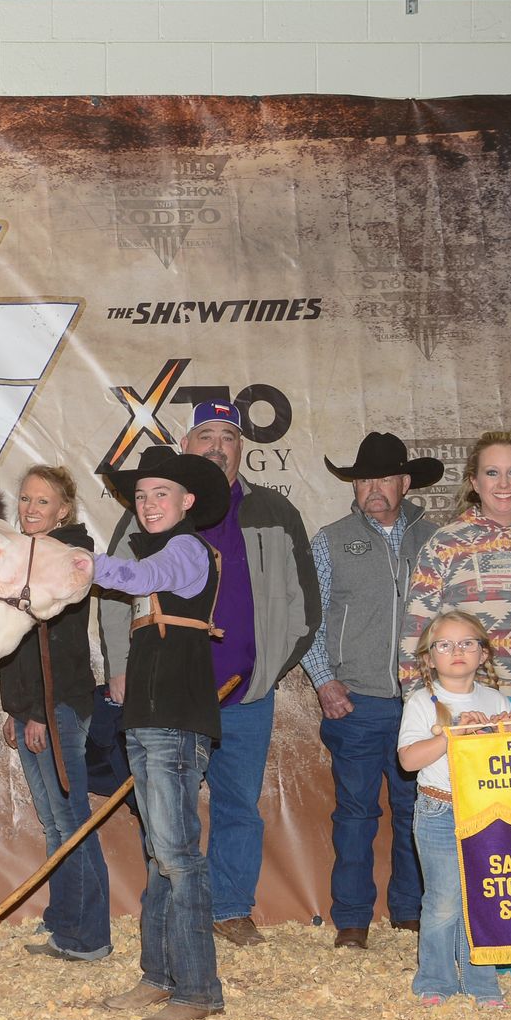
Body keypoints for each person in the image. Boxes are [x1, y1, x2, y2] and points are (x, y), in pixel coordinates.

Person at [99, 400, 318, 947]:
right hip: (170, 692)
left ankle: (230, 906)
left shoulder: (274, 511)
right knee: (164, 808)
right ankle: (169, 907)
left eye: (228, 435)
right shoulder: (158, 509)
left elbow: (302, 602)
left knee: (238, 802)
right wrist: (123, 669)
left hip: (245, 690)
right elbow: (113, 596)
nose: (217, 445)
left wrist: (267, 669)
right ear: (186, 446)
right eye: (205, 435)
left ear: (242, 447)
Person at [87, 447, 231, 1020]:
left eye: (160, 495)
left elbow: (138, 579)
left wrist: (73, 562)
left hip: (175, 716)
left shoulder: (186, 549)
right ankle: (159, 976)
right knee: (159, 856)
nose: (148, 505)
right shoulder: (157, 547)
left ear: (187, 501)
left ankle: (198, 988)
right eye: (141, 497)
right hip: (147, 717)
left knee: (178, 857)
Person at [305, 432, 442, 948]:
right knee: (356, 814)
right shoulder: (332, 539)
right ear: (353, 486)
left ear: (405, 483)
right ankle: (353, 920)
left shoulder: (435, 538)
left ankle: (411, 910)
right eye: (363, 479)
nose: (373, 488)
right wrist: (324, 680)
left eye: (384, 477)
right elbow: (310, 618)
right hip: (357, 700)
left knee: (418, 810)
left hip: (423, 703)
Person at [0, 465, 111, 965]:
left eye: (42, 502)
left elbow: (58, 646)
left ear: (64, 509)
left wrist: (40, 711)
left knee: (71, 820)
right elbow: (17, 646)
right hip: (35, 707)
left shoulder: (68, 557)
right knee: (55, 823)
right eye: (24, 500)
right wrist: (16, 709)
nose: (30, 509)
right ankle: (65, 925)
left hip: (58, 703)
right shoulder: (29, 555)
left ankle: (89, 937)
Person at [396, 610, 511, 1009]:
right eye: (444, 645)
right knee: (444, 899)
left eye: (467, 643)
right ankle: (435, 978)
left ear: (483, 654)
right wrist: (451, 735)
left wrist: (506, 735)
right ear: (429, 658)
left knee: (485, 895)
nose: (457, 651)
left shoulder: (495, 699)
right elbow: (408, 762)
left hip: (485, 809)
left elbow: (505, 759)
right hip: (439, 809)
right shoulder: (421, 702)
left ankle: (481, 981)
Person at [398, 430, 511, 696]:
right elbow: (417, 633)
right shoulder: (445, 544)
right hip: (475, 705)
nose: (503, 484)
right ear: (474, 481)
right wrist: (421, 704)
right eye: (492, 473)